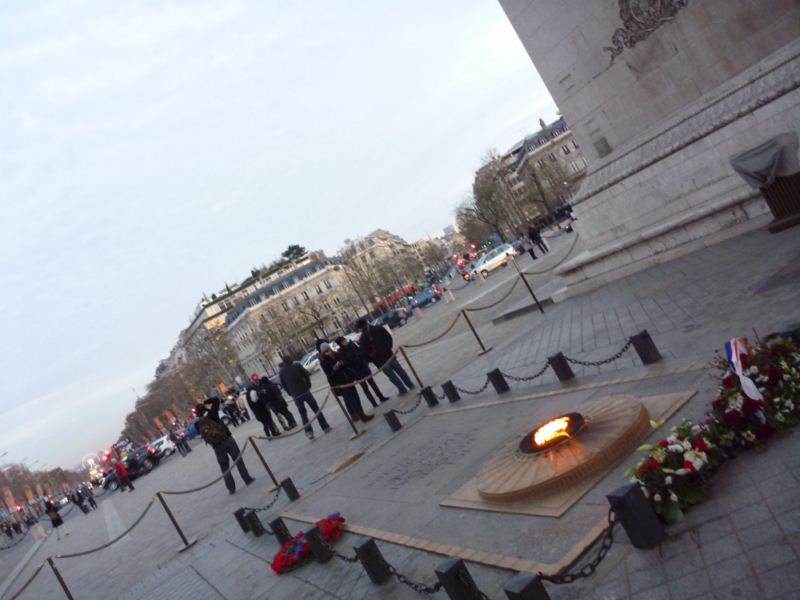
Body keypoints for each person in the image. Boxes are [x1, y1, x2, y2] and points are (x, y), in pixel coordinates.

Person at [195, 397, 255, 495]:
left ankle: (231, 488)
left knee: (224, 467)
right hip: (227, 439)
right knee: (238, 460)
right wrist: (205, 403)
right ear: (204, 408)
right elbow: (215, 400)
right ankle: (247, 479)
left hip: (216, 446)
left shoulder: (197, 424)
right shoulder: (211, 413)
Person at [355, 318, 415, 396]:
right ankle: (410, 384)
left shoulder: (362, 339)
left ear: (359, 327)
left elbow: (365, 353)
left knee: (392, 376)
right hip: (389, 354)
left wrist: (371, 359)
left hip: (379, 361)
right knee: (400, 371)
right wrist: (388, 348)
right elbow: (389, 338)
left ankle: (402, 389)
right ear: (367, 322)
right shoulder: (378, 328)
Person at [319, 342, 374, 424]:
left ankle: (361, 414)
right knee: (352, 400)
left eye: (328, 350)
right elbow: (330, 374)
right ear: (323, 353)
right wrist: (336, 366)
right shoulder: (324, 362)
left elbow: (346, 362)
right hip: (340, 384)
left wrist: (342, 362)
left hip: (348, 379)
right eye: (326, 352)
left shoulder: (336, 355)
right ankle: (362, 416)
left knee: (356, 397)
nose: (328, 352)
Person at [278, 359, 331, 440]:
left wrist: (290, 393)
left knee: (303, 414)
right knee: (316, 409)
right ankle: (325, 427)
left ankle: (308, 432)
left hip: (295, 395)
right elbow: (306, 374)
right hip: (305, 391)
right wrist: (308, 384)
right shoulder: (297, 365)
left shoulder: (282, 372)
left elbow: (283, 385)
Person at [335, 336, 389, 406]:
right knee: (365, 388)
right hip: (356, 371)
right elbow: (346, 362)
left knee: (373, 383)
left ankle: (381, 397)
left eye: (345, 340)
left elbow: (360, 351)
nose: (345, 342)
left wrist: (362, 358)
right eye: (343, 341)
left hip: (363, 367)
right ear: (340, 344)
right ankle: (373, 402)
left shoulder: (352, 345)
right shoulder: (341, 352)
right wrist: (354, 360)